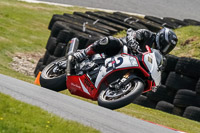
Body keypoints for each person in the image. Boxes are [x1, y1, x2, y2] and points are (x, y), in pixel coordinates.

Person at [73, 28, 178, 62]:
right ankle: (84, 53)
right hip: (120, 50)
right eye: (165, 45)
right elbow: (131, 32)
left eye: (169, 48)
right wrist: (133, 41)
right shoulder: (148, 34)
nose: (165, 49)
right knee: (111, 41)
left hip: (131, 62)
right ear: (161, 38)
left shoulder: (158, 56)